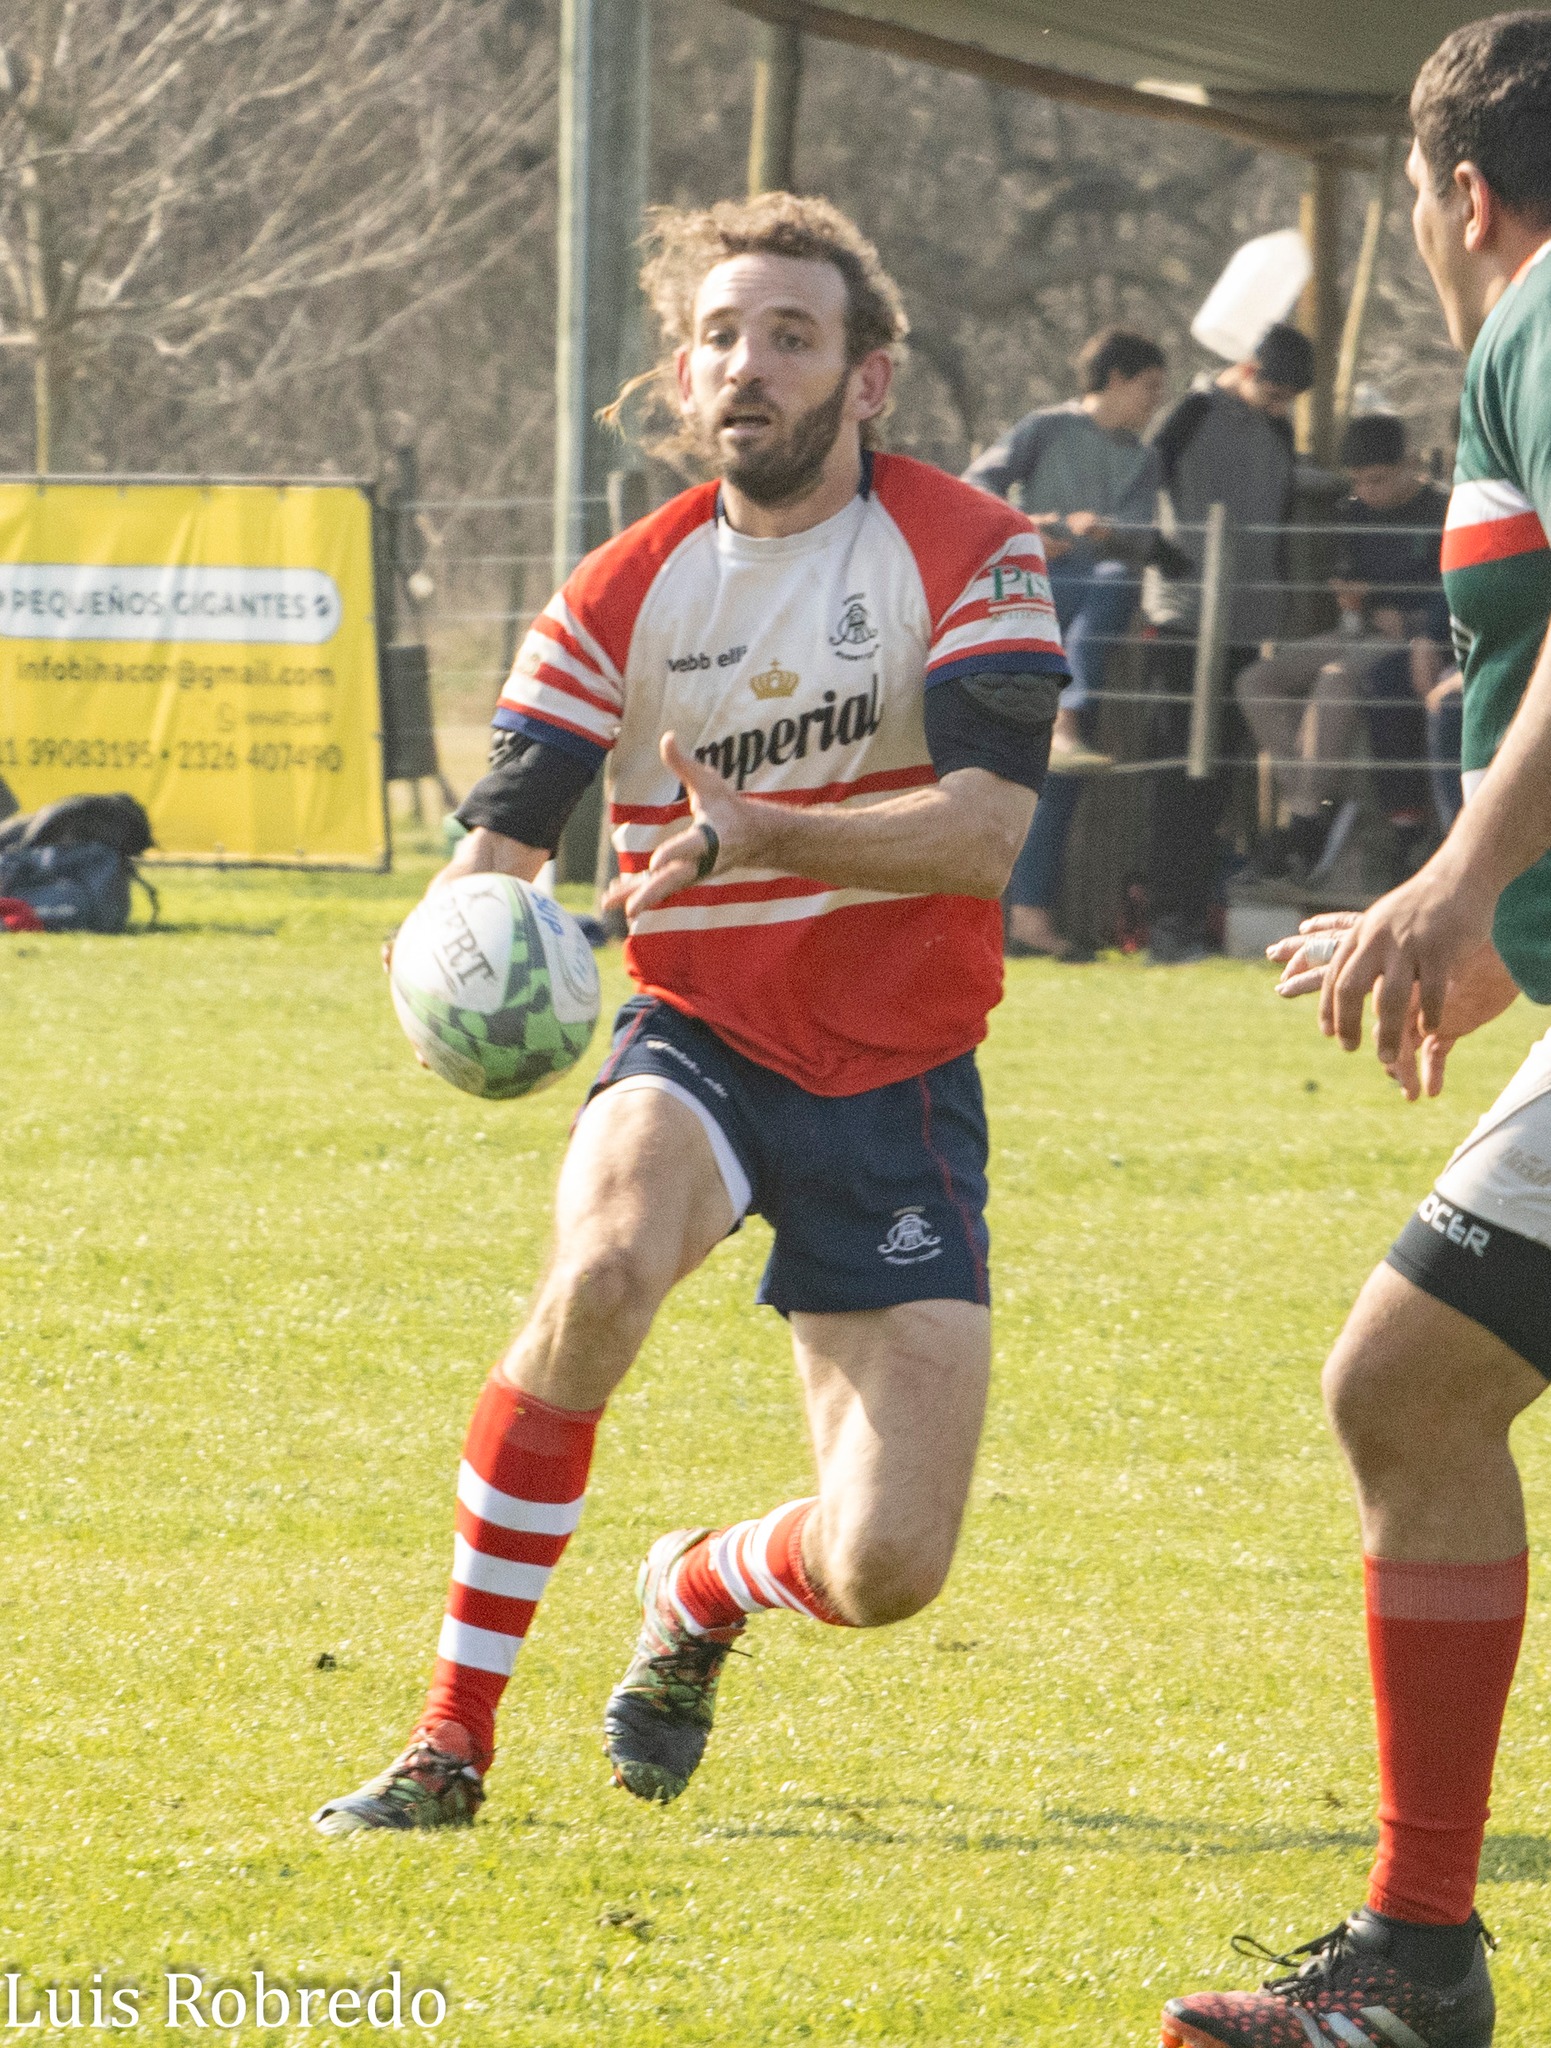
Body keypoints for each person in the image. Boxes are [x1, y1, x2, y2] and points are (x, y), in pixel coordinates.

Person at [313, 192, 1067, 1834]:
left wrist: (771, 826)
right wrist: (444, 950)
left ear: (868, 379)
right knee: (597, 1271)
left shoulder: (973, 549)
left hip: (903, 1083)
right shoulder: (620, 590)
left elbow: (984, 828)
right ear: (683, 373)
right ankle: (450, 1738)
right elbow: (494, 844)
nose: (750, 366)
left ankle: (698, 1586)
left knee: (885, 1564)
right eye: (722, 337)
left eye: (791, 336)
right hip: (698, 1033)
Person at [1163, 15, 1551, 2046]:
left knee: (1400, 1390)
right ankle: (1413, 1960)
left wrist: (1452, 886)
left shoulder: (1538, 306)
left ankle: (1413, 1966)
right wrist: (1500, 933)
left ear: (1456, 197)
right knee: (1406, 1390)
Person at [964, 328, 1166, 958]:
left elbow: (1141, 536)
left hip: (1089, 605)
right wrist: (1035, 526)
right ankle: (1070, 716)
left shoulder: (1143, 457)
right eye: (1150, 388)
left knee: (1054, 770)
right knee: (1002, 765)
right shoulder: (1045, 428)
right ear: (1115, 379)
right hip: (1028, 596)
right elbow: (974, 486)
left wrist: (1109, 529)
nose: (1156, 403)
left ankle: (1029, 916)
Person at [1142, 322, 1314, 962]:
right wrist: (1164, 552)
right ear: (1247, 369)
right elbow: (1141, 481)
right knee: (1178, 772)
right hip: (1184, 617)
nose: (1282, 408)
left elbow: (1283, 511)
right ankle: (1166, 921)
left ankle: (1196, 915)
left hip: (1246, 622)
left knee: (1220, 777)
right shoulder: (1188, 415)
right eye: (1276, 393)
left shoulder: (1275, 429)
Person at [1234, 413, 1451, 882]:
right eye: (1358, 482)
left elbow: (1452, 593)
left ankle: (1305, 826)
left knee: (1335, 680)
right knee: (1256, 679)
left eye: (1377, 480)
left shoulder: (1442, 512)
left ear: (1409, 464)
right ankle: (1311, 808)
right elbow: (1352, 583)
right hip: (1363, 629)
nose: (1367, 492)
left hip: (1412, 642)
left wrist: (1414, 623)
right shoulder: (1352, 514)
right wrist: (1353, 596)